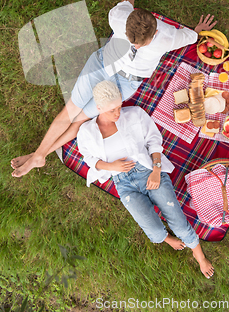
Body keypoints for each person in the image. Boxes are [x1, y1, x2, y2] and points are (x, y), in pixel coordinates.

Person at [11, 0, 217, 177]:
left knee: (79, 120)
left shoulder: (166, 36)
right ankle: (38, 155)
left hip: (125, 82)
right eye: (131, 40)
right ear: (126, 27)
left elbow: (189, 36)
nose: (135, 46)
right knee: (69, 111)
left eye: (139, 44)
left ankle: (39, 155)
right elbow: (127, 4)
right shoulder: (120, 18)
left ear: (155, 34)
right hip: (101, 64)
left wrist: (197, 31)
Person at [77, 80, 214, 279]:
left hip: (146, 169)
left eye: (119, 106)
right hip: (123, 183)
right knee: (153, 230)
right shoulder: (86, 132)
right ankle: (167, 239)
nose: (117, 113)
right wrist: (110, 166)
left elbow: (153, 140)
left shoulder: (134, 114)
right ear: (98, 108)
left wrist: (156, 170)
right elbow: (89, 158)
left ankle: (199, 255)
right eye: (111, 110)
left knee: (175, 218)